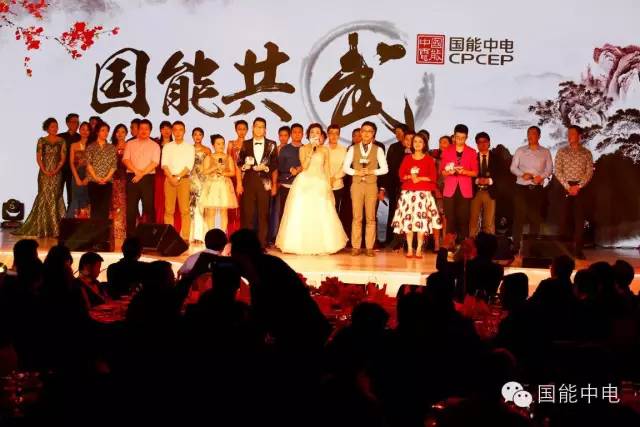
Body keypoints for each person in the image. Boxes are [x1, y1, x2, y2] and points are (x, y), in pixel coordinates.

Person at [275, 123, 348, 255]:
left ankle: (323, 245)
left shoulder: (324, 150)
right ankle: (299, 244)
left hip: (320, 182)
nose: (315, 134)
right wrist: (312, 150)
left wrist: (328, 186)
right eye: (312, 132)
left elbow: (326, 169)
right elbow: (304, 165)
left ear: (321, 135)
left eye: (318, 132)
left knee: (321, 213)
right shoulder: (303, 148)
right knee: (302, 212)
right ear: (308, 134)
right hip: (305, 182)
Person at [390, 132, 441, 258]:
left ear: (424, 144)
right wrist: (410, 177)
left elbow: (433, 177)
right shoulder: (407, 158)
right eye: (415, 142)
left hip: (423, 194)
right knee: (408, 222)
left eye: (420, 142)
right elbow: (401, 174)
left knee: (421, 222)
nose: (417, 144)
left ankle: (418, 248)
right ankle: (409, 248)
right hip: (408, 193)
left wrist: (420, 178)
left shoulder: (428, 159)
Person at [15, 118, 67, 237]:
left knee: (55, 196)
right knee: (44, 196)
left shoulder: (62, 141)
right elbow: (38, 157)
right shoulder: (41, 141)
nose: (55, 128)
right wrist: (44, 170)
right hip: (44, 173)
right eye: (52, 126)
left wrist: (56, 170)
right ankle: (42, 228)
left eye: (56, 126)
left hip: (57, 173)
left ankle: (56, 229)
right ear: (47, 128)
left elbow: (63, 158)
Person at [343, 121, 389, 257]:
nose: (366, 133)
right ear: (360, 132)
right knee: (357, 217)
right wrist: (356, 172)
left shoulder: (378, 149)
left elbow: (385, 169)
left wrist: (371, 171)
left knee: (370, 217)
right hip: (357, 185)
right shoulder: (353, 149)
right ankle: (356, 246)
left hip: (371, 185)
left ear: (373, 134)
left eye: (370, 131)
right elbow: (345, 167)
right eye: (364, 130)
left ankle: (369, 247)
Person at [236, 117, 278, 248]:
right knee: (248, 214)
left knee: (263, 214)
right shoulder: (246, 143)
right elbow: (239, 162)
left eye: (262, 127)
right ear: (253, 128)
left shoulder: (272, 144)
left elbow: (275, 164)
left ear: (265, 130)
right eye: (257, 126)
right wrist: (243, 171)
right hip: (249, 181)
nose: (259, 129)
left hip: (265, 183)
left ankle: (261, 244)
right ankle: (247, 244)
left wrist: (266, 169)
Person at [510, 126, 553, 252]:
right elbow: (513, 167)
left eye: (533, 133)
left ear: (539, 136)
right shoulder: (520, 150)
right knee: (518, 217)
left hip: (537, 188)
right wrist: (522, 174)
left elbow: (549, 169)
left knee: (535, 218)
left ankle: (532, 246)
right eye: (528, 133)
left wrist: (541, 177)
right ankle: (516, 245)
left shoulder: (545, 151)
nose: (530, 136)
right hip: (521, 187)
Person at [555, 125, 594, 259]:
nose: (569, 136)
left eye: (572, 133)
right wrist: (568, 186)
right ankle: (563, 251)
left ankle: (577, 250)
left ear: (579, 136)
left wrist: (579, 186)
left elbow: (589, 172)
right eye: (568, 133)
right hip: (564, 187)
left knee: (579, 220)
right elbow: (557, 170)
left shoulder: (586, 153)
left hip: (580, 189)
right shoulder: (562, 151)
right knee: (564, 219)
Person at [440, 124, 478, 244]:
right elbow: (442, 171)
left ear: (466, 137)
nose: (460, 140)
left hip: (465, 189)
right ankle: (449, 246)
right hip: (450, 188)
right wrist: (449, 171)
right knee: (450, 218)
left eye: (462, 138)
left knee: (464, 218)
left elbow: (475, 172)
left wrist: (464, 171)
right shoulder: (447, 151)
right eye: (457, 137)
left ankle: (463, 246)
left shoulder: (472, 152)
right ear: (454, 136)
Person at [123, 119, 160, 237]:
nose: (144, 131)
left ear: (150, 130)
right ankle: (130, 236)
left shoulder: (155, 145)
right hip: (132, 177)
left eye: (146, 129)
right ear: (138, 130)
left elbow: (155, 162)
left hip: (148, 178)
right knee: (131, 208)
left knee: (148, 207)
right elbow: (125, 159)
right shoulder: (130, 143)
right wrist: (136, 171)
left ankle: (150, 236)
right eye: (141, 128)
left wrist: (141, 174)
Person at [161, 121, 195, 241]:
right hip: (169, 179)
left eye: (180, 129)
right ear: (172, 131)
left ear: (184, 131)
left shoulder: (189, 147)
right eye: (175, 130)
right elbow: (164, 165)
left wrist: (178, 177)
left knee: (185, 210)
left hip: (184, 179)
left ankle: (185, 237)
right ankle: (169, 237)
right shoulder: (167, 146)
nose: (178, 132)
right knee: (169, 210)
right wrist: (171, 178)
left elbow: (189, 166)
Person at [201, 134, 238, 234]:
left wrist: (223, 173)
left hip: (224, 185)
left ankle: (222, 234)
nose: (221, 146)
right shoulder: (209, 157)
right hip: (212, 185)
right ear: (213, 145)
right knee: (211, 212)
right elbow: (204, 171)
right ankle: (211, 235)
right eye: (218, 144)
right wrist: (215, 167)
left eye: (222, 143)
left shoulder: (228, 157)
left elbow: (232, 172)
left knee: (223, 212)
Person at [384, 124, 410, 247]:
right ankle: (391, 239)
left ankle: (405, 241)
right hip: (394, 184)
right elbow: (388, 166)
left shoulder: (413, 148)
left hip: (407, 185)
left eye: (400, 132)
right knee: (393, 212)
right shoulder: (393, 147)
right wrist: (386, 186)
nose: (397, 135)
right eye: (396, 132)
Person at [86, 122, 117, 220]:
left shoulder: (112, 148)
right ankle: (94, 229)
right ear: (97, 132)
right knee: (95, 208)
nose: (105, 133)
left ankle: (104, 229)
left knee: (105, 209)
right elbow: (88, 164)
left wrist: (106, 178)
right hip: (93, 181)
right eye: (103, 130)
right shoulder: (91, 147)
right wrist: (96, 178)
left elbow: (114, 166)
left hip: (107, 182)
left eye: (107, 131)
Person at [469, 132, 499, 236]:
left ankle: (488, 243)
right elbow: (468, 174)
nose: (482, 144)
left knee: (489, 222)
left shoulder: (496, 158)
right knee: (473, 221)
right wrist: (476, 180)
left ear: (489, 143)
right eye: (479, 142)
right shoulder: (472, 157)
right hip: (475, 192)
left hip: (490, 192)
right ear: (477, 144)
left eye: (484, 141)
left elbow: (501, 175)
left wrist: (489, 181)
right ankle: (471, 243)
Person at [275, 123, 303, 228]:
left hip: (301, 186)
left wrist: (300, 169)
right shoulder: (285, 149)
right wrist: (290, 169)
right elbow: (280, 167)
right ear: (291, 134)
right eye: (294, 132)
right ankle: (281, 234)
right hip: (286, 185)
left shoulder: (306, 149)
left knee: (299, 212)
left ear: (303, 134)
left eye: (299, 132)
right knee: (284, 211)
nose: (297, 134)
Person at [155, 120, 181, 232]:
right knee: (160, 201)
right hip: (159, 175)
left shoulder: (176, 144)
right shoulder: (155, 144)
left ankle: (174, 229)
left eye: (168, 128)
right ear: (160, 130)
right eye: (163, 128)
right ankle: (160, 228)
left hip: (173, 175)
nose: (166, 131)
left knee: (173, 202)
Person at [465, 232, 504, 297]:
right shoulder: (498, 269)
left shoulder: (469, 264)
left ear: (477, 247)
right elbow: (493, 291)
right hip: (488, 302)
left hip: (470, 301)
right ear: (494, 249)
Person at [227, 120, 248, 236]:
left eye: (244, 129)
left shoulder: (249, 144)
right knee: (233, 206)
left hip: (247, 178)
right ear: (236, 130)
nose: (242, 131)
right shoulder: (231, 144)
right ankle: (231, 233)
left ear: (247, 130)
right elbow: (228, 160)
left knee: (245, 207)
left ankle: (243, 233)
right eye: (239, 129)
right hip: (234, 178)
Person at [65, 121, 91, 218]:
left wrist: (88, 178)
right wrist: (76, 178)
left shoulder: (93, 145)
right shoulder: (74, 145)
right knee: (76, 199)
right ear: (79, 130)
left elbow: (94, 164)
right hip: (76, 175)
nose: (85, 131)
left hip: (90, 176)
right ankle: (73, 224)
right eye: (83, 129)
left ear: (90, 132)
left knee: (87, 200)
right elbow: (71, 163)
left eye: (87, 130)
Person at [189, 127, 211, 244]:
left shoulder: (207, 150)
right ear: (192, 136)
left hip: (203, 180)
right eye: (195, 134)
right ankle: (193, 235)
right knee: (192, 207)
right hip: (191, 180)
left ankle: (201, 235)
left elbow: (209, 165)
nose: (197, 136)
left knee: (201, 207)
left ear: (203, 136)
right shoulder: (188, 149)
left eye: (200, 134)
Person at [326, 124, 348, 226]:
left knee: (335, 211)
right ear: (327, 134)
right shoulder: (322, 148)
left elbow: (345, 167)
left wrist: (334, 178)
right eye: (331, 133)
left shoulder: (344, 150)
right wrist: (327, 178)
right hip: (323, 184)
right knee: (324, 210)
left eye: (336, 133)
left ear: (339, 135)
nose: (334, 136)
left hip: (338, 185)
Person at [111, 123, 129, 244]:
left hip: (126, 179)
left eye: (123, 132)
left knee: (124, 204)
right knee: (114, 204)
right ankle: (114, 230)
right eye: (118, 131)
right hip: (113, 179)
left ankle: (124, 230)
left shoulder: (130, 146)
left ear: (126, 133)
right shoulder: (111, 147)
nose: (120, 134)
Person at [58, 113, 81, 206]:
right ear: (67, 123)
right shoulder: (60, 137)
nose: (76, 124)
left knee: (72, 195)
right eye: (73, 122)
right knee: (57, 193)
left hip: (74, 170)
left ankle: (70, 213)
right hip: (60, 169)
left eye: (77, 122)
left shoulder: (80, 138)